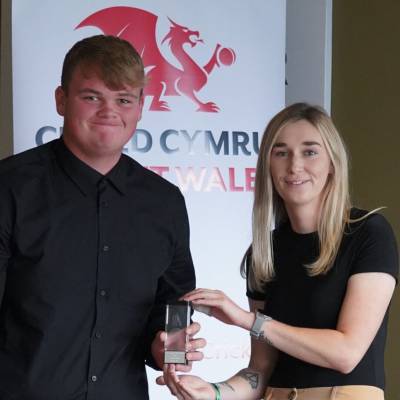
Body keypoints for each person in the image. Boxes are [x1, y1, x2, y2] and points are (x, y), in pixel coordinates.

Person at [0, 35, 205, 399]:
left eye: (123, 99)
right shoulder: (9, 188)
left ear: (140, 108)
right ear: (61, 101)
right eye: (92, 96)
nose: (109, 111)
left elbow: (174, 303)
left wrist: (167, 352)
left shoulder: (164, 202)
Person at [157, 103, 398, 400]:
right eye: (281, 153)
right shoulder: (264, 252)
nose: (294, 166)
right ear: (268, 166)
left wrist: (249, 321)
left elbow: (346, 353)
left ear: (332, 162)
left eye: (310, 151)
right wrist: (214, 392)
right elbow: (259, 371)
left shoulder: (369, 233)